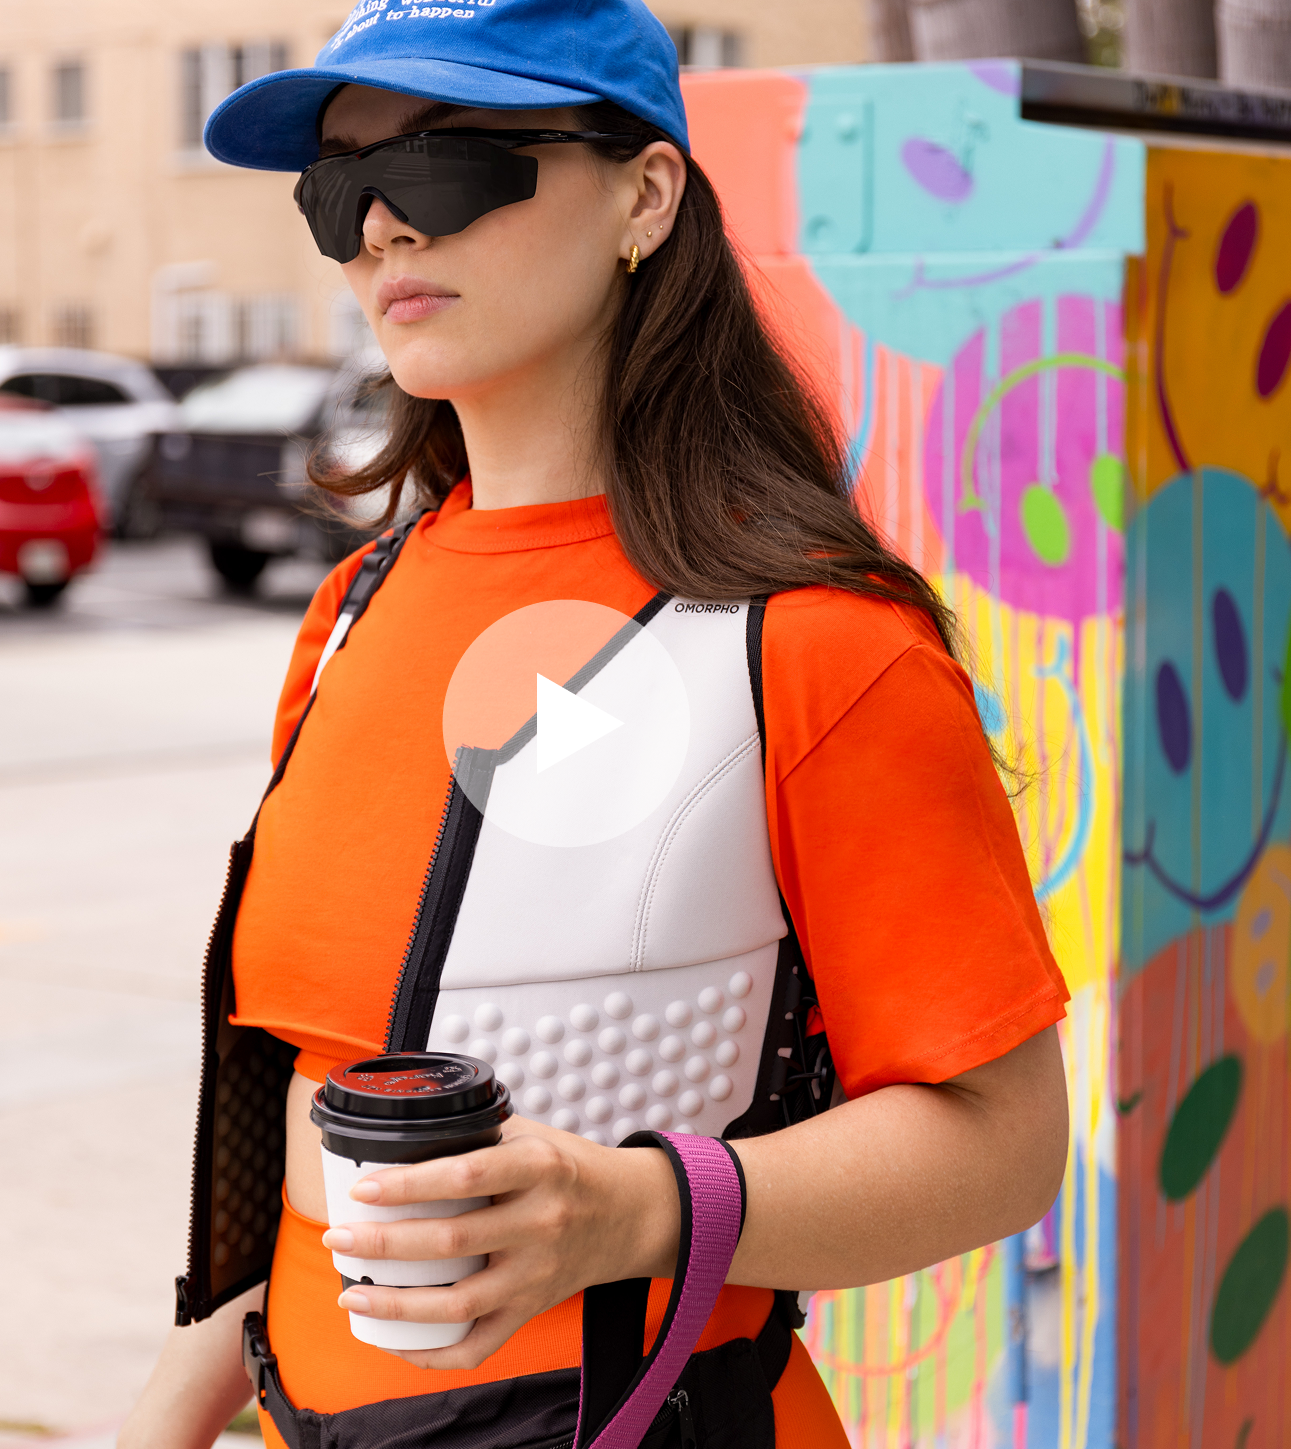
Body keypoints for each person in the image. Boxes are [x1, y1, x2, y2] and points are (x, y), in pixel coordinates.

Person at [120, 2, 1070, 1445]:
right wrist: (163, 1411)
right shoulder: (356, 611)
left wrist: (633, 1209)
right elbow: (327, 1132)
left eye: (446, 163)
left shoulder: (813, 642)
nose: (380, 226)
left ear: (645, 193)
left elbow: (1004, 1148)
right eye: (338, 185)